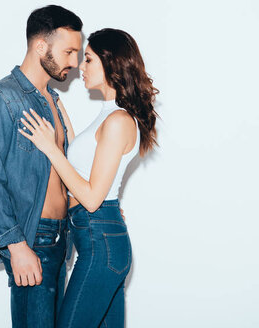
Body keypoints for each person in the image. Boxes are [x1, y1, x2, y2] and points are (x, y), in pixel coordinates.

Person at [18, 28, 159, 328]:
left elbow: (93, 198)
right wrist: (54, 114)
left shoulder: (119, 121)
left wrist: (49, 149)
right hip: (97, 239)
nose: (81, 67)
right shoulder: (108, 116)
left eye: (89, 60)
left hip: (101, 243)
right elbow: (80, 160)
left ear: (111, 64)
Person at [0, 5, 83, 328]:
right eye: (69, 51)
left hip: (62, 240)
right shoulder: (0, 100)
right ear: (40, 46)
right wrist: (17, 247)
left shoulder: (51, 99)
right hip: (34, 240)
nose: (74, 62)